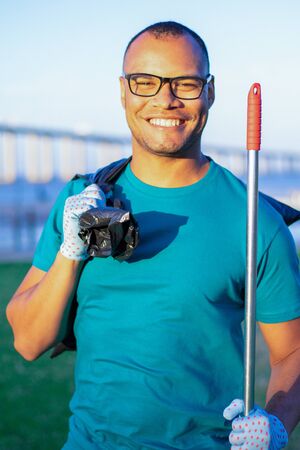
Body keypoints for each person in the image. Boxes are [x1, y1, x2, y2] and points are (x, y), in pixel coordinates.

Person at [6, 21, 300, 450]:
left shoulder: (257, 219)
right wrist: (72, 250)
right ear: (123, 91)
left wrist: (276, 425)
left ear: (210, 92)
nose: (166, 99)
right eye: (146, 82)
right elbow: (29, 342)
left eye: (185, 82)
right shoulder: (83, 199)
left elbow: (292, 353)